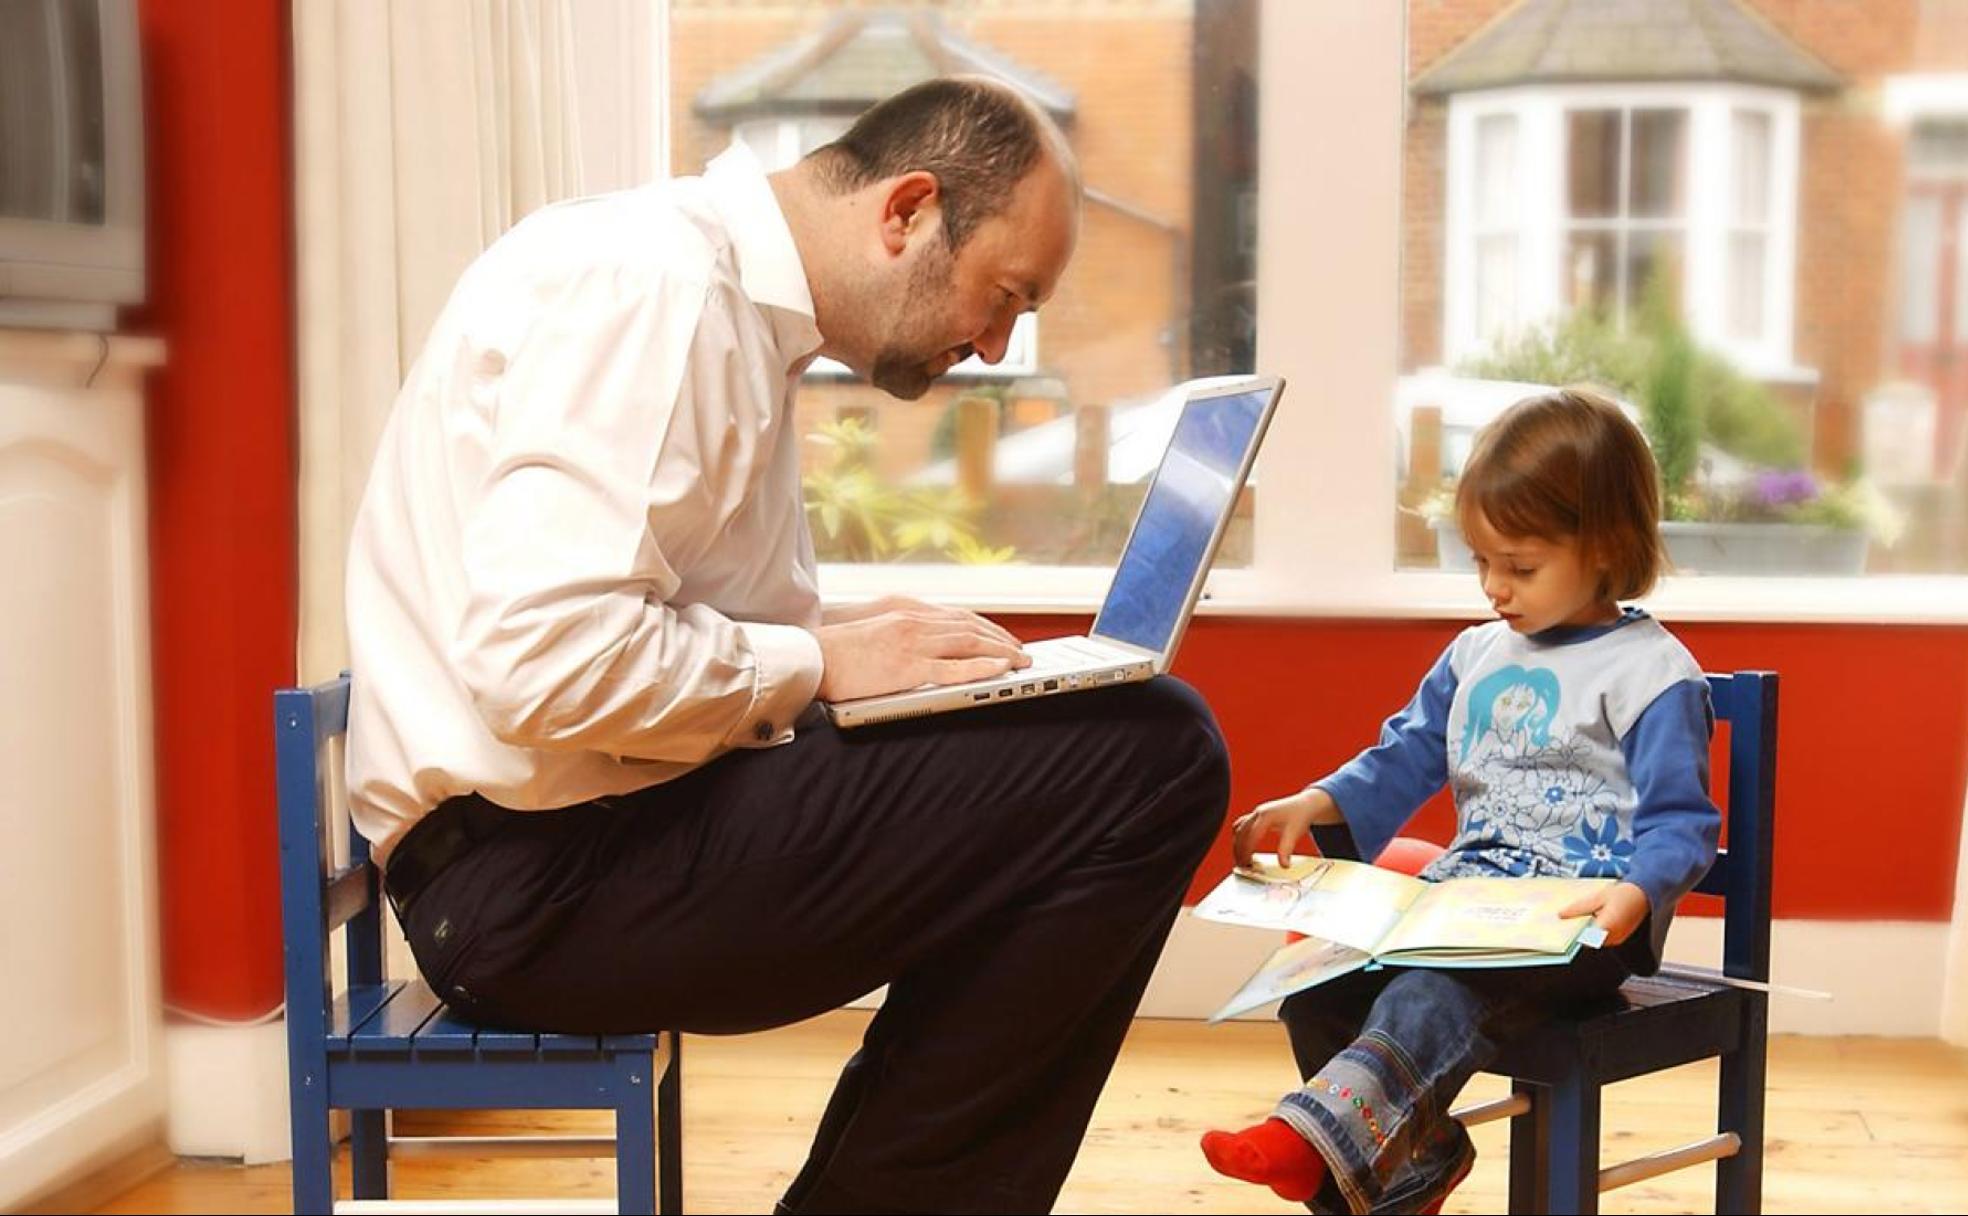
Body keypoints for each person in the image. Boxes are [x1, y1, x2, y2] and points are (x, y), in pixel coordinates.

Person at [344, 75, 1229, 1214]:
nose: (999, 344)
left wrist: (850, 638)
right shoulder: (656, 292)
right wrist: (818, 665)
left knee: (1087, 748)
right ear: (906, 211)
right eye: (1004, 295)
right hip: (537, 886)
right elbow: (543, 661)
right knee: (1154, 757)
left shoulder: (710, 301)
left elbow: (634, 610)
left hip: (560, 847)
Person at [1199, 388, 1720, 1214]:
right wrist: (1318, 801)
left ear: (1605, 546)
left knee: (1431, 991)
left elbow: (1681, 825)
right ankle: (1417, 1160)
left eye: (1520, 567)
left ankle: (1313, 1147)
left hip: (1576, 930)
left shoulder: (1652, 675)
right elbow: (1405, 756)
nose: (1494, 588)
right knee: (1319, 992)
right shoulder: (1476, 653)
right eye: (1481, 562)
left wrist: (1633, 896)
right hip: (1470, 906)